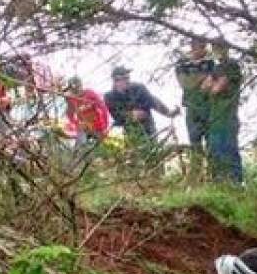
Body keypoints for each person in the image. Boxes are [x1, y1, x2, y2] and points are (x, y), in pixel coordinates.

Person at [103, 66, 178, 146]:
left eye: (128, 78)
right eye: (125, 79)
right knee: (137, 152)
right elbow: (117, 117)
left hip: (148, 127)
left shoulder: (139, 88)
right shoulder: (109, 97)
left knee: (153, 149)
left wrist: (168, 113)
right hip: (131, 132)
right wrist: (131, 115)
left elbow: (153, 101)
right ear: (116, 81)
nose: (128, 81)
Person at [204, 38, 244, 184]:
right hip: (215, 119)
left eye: (219, 47)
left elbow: (215, 88)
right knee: (215, 153)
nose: (216, 51)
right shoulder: (216, 68)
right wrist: (214, 82)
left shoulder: (232, 65)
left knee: (230, 152)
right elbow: (204, 86)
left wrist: (214, 83)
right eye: (214, 47)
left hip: (228, 117)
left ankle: (235, 185)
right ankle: (219, 183)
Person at [174, 37, 215, 170]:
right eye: (198, 46)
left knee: (212, 143)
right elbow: (185, 83)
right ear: (192, 47)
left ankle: (214, 174)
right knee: (195, 143)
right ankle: (197, 176)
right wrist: (203, 77)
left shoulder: (211, 62)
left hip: (209, 106)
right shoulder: (182, 63)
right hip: (192, 107)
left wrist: (205, 79)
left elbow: (214, 81)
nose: (201, 49)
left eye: (203, 46)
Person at [64, 76, 111, 146]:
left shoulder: (90, 93)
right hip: (85, 128)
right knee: (80, 146)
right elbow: (70, 115)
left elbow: (103, 108)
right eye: (73, 89)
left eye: (77, 87)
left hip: (98, 127)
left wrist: (105, 126)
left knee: (100, 147)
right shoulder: (71, 99)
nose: (76, 90)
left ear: (81, 85)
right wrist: (77, 124)